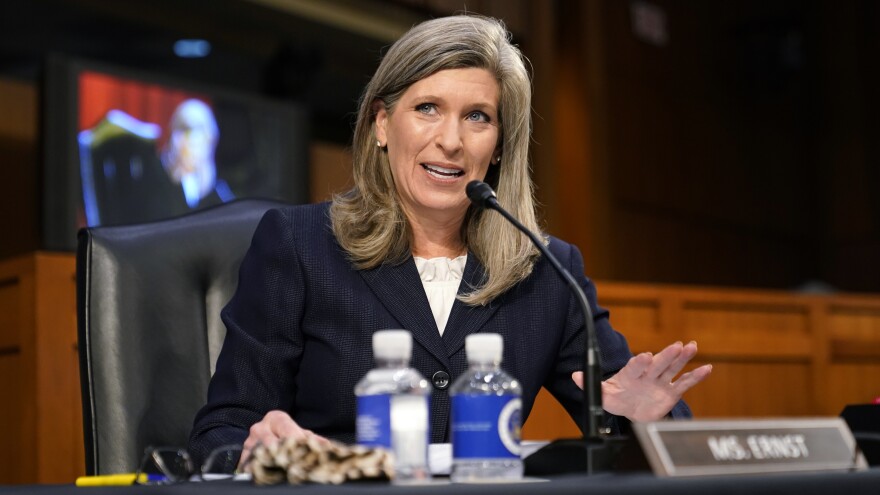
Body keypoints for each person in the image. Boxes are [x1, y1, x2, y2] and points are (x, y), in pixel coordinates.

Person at [188, 14, 712, 468]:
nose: (451, 140)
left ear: (501, 144)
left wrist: (640, 419)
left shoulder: (548, 271)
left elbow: (638, 430)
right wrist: (260, 449)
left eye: (477, 116)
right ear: (381, 124)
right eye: (427, 108)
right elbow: (221, 435)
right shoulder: (298, 247)